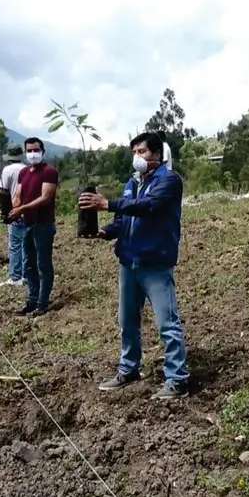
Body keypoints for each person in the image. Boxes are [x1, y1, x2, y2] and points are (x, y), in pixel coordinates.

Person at [79, 132, 189, 400]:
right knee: (127, 321)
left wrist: (107, 203)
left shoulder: (169, 181)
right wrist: (106, 231)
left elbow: (147, 206)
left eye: (142, 151)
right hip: (129, 262)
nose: (136, 157)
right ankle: (128, 369)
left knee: (167, 323)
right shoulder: (132, 183)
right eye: (134, 152)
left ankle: (177, 379)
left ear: (157, 155)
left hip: (155, 263)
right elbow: (123, 219)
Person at [8, 137, 59, 317]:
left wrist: (21, 208)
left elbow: (45, 198)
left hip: (43, 224)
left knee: (43, 264)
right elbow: (18, 193)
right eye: (29, 151)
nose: (32, 154)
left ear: (42, 151)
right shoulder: (24, 173)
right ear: (25, 152)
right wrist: (15, 203)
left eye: (35, 150)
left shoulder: (49, 172)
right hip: (27, 224)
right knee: (28, 265)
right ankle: (31, 300)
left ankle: (42, 303)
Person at [0, 144, 27, 287]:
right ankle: (27, 275)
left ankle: (15, 276)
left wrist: (5, 213)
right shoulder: (27, 168)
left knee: (15, 245)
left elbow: (3, 192)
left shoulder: (7, 170)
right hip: (28, 210)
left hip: (13, 210)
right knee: (27, 244)